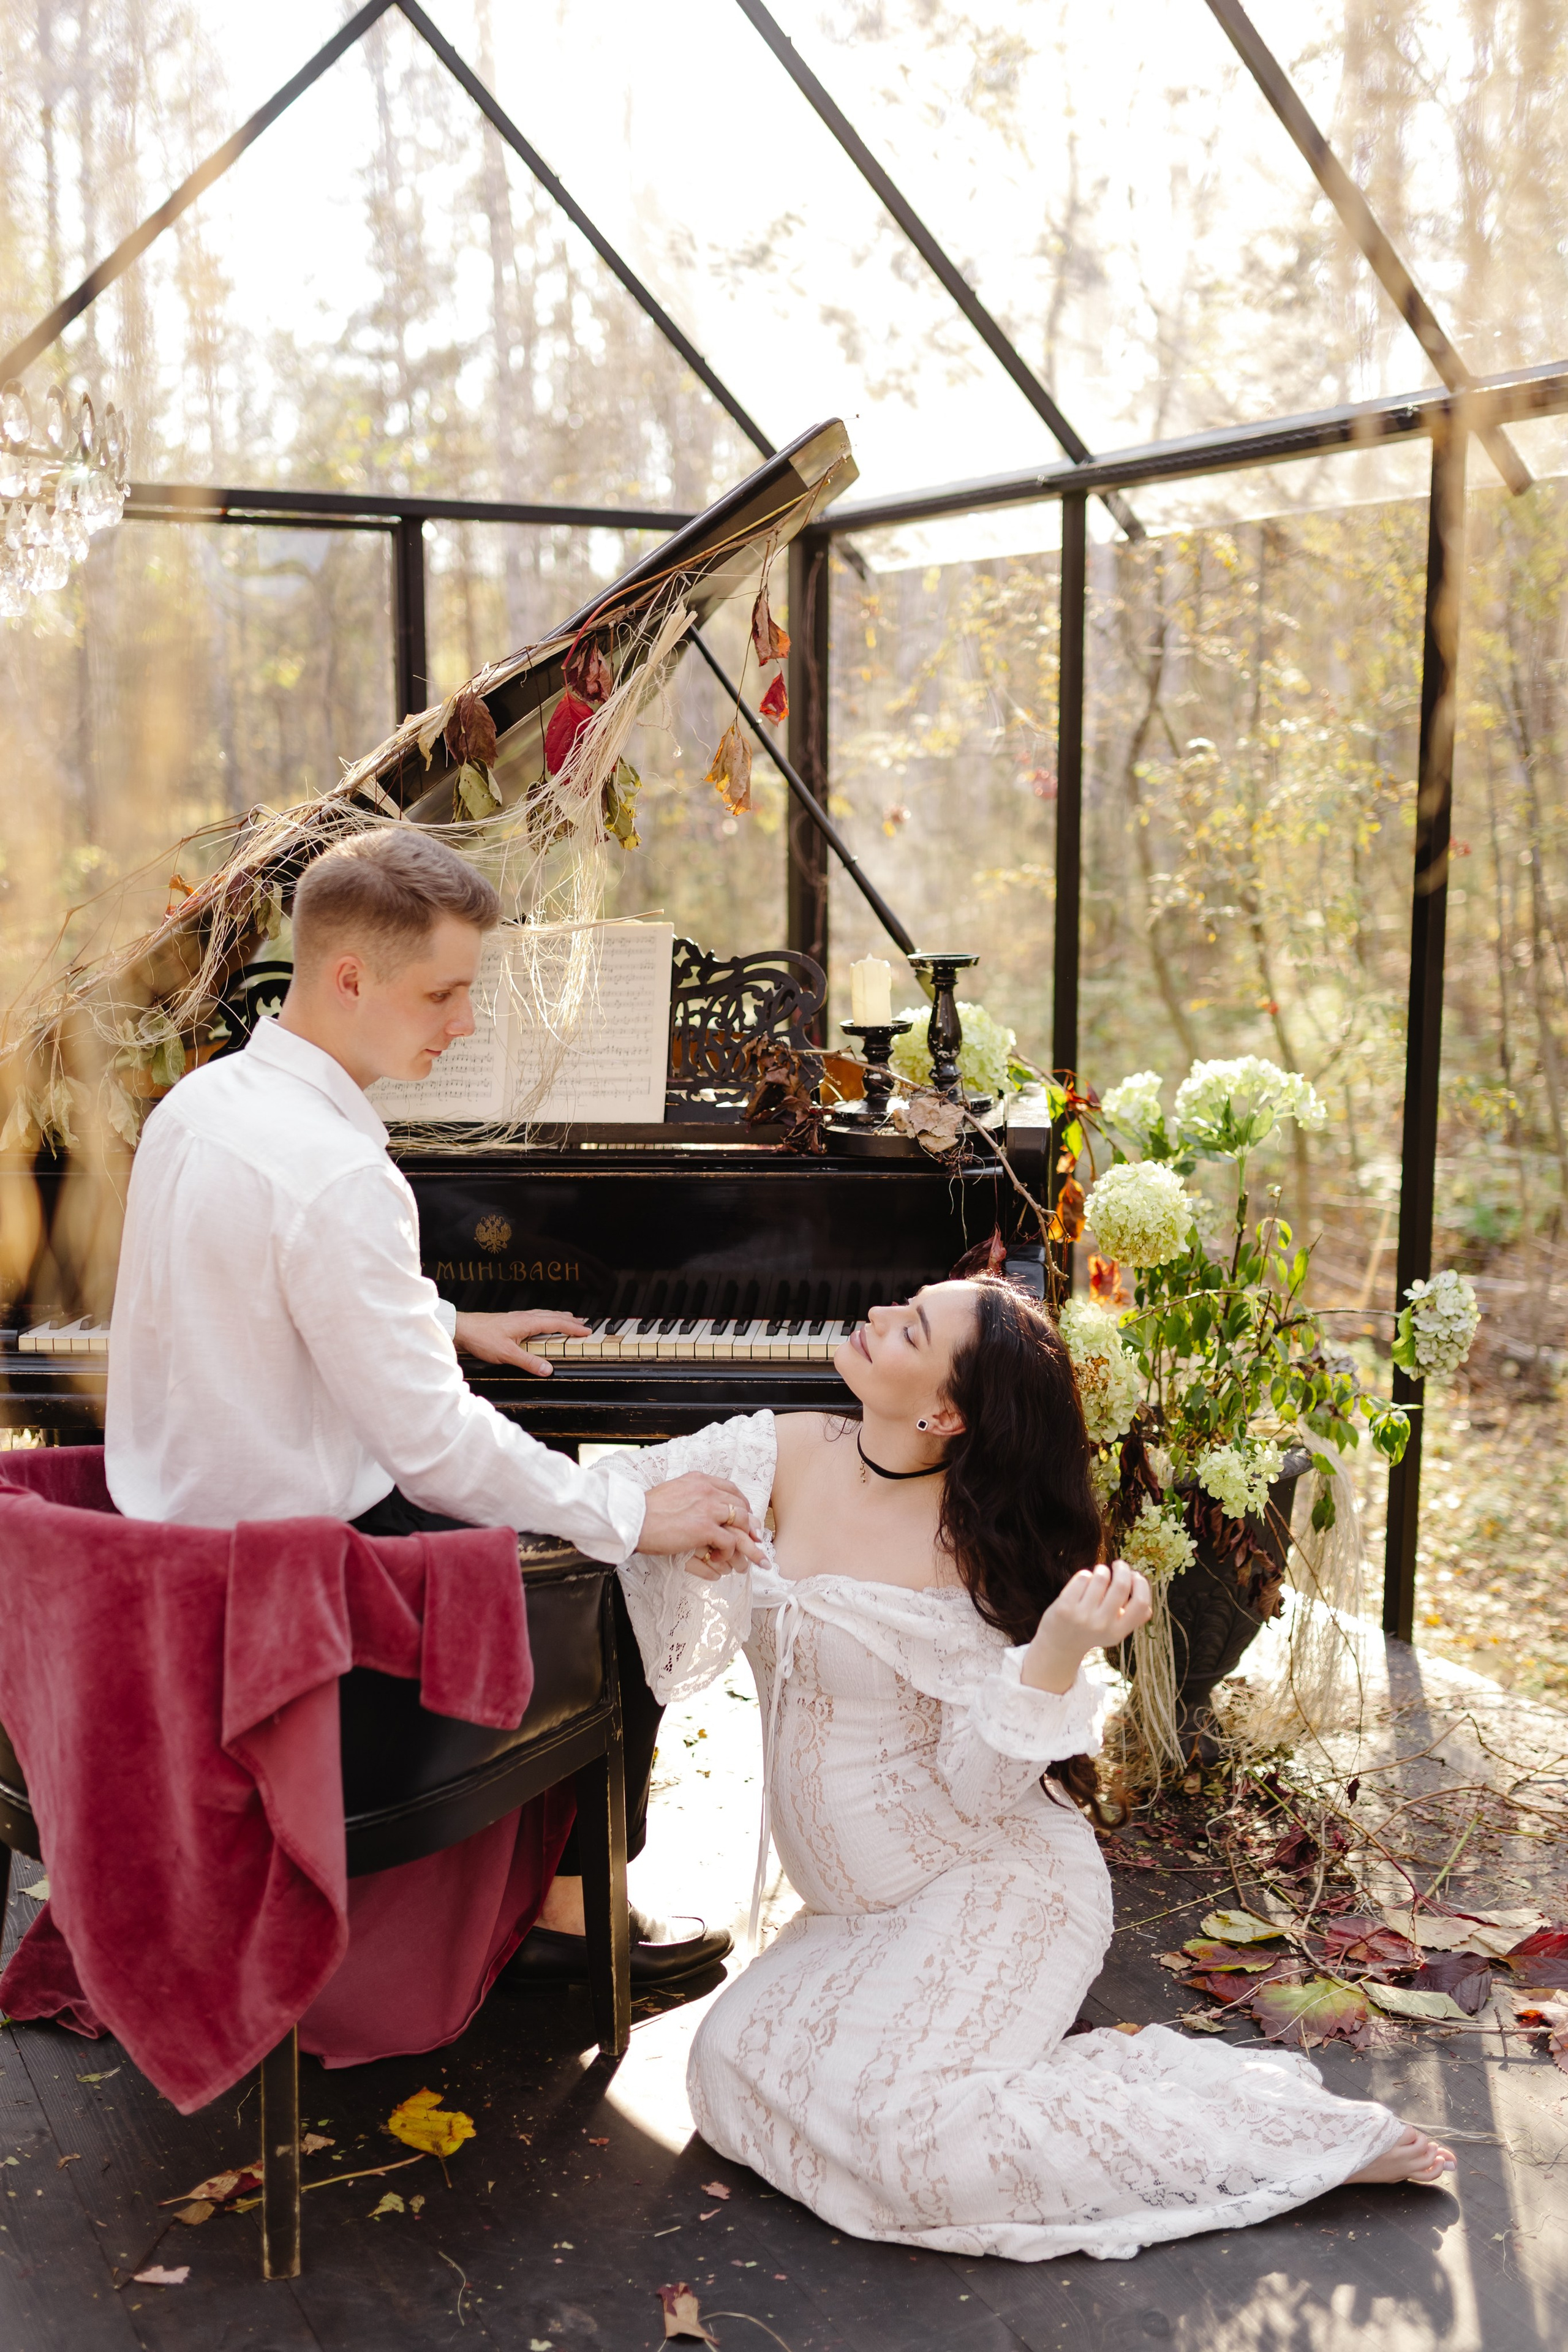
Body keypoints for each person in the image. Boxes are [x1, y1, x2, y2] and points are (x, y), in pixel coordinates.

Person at [601, 1276, 1456, 2261]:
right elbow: (618, 1497)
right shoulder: (780, 1451)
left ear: (944, 1410)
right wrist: (670, 1532)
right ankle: (1039, 2089)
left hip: (996, 1888)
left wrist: (1052, 1652)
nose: (876, 1318)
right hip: (851, 1921)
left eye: (909, 1327)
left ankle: (1296, 2140)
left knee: (909, 2143)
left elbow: (974, 1795)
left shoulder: (979, 1552)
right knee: (725, 2066)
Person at [107, 826, 758, 1985]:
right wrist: (630, 1505)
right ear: (349, 976)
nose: (464, 1026)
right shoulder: (341, 1172)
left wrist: (433, 1321)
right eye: (444, 994)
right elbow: (435, 1450)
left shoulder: (199, 1106)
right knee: (613, 1573)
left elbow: (249, 1295)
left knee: (576, 1521)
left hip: (175, 1560)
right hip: (304, 1590)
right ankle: (568, 1919)